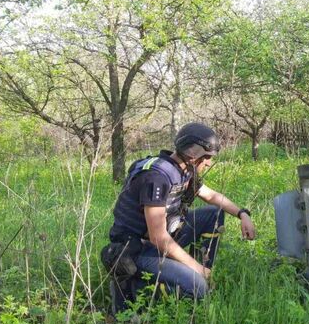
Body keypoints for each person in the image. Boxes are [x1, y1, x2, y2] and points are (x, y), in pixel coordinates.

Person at [101, 122, 256, 312]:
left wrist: (242, 214)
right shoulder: (156, 177)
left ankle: (188, 270)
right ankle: (137, 287)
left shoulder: (184, 171)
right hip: (140, 249)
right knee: (199, 289)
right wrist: (197, 269)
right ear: (193, 155)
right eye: (207, 157)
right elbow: (158, 237)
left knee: (214, 214)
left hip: (167, 236)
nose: (208, 163)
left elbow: (211, 196)